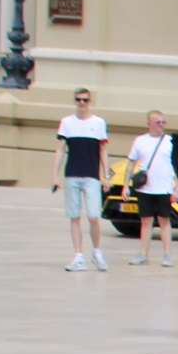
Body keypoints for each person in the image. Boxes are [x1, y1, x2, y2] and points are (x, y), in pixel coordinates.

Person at [54, 88, 109, 271]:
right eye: (78, 100)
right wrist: (55, 175)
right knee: (74, 216)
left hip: (91, 175)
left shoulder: (98, 123)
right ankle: (78, 255)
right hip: (72, 174)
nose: (81, 103)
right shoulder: (67, 122)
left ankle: (96, 251)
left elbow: (103, 151)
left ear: (90, 101)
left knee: (93, 216)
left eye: (85, 100)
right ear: (74, 101)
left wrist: (106, 175)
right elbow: (60, 149)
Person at [125, 110, 177, 266]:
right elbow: (130, 164)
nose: (161, 125)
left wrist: (177, 189)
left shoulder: (170, 141)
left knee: (164, 221)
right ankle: (143, 253)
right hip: (145, 188)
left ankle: (167, 254)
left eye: (163, 122)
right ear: (149, 124)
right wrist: (126, 186)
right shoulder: (140, 141)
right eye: (157, 122)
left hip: (164, 188)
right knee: (146, 221)